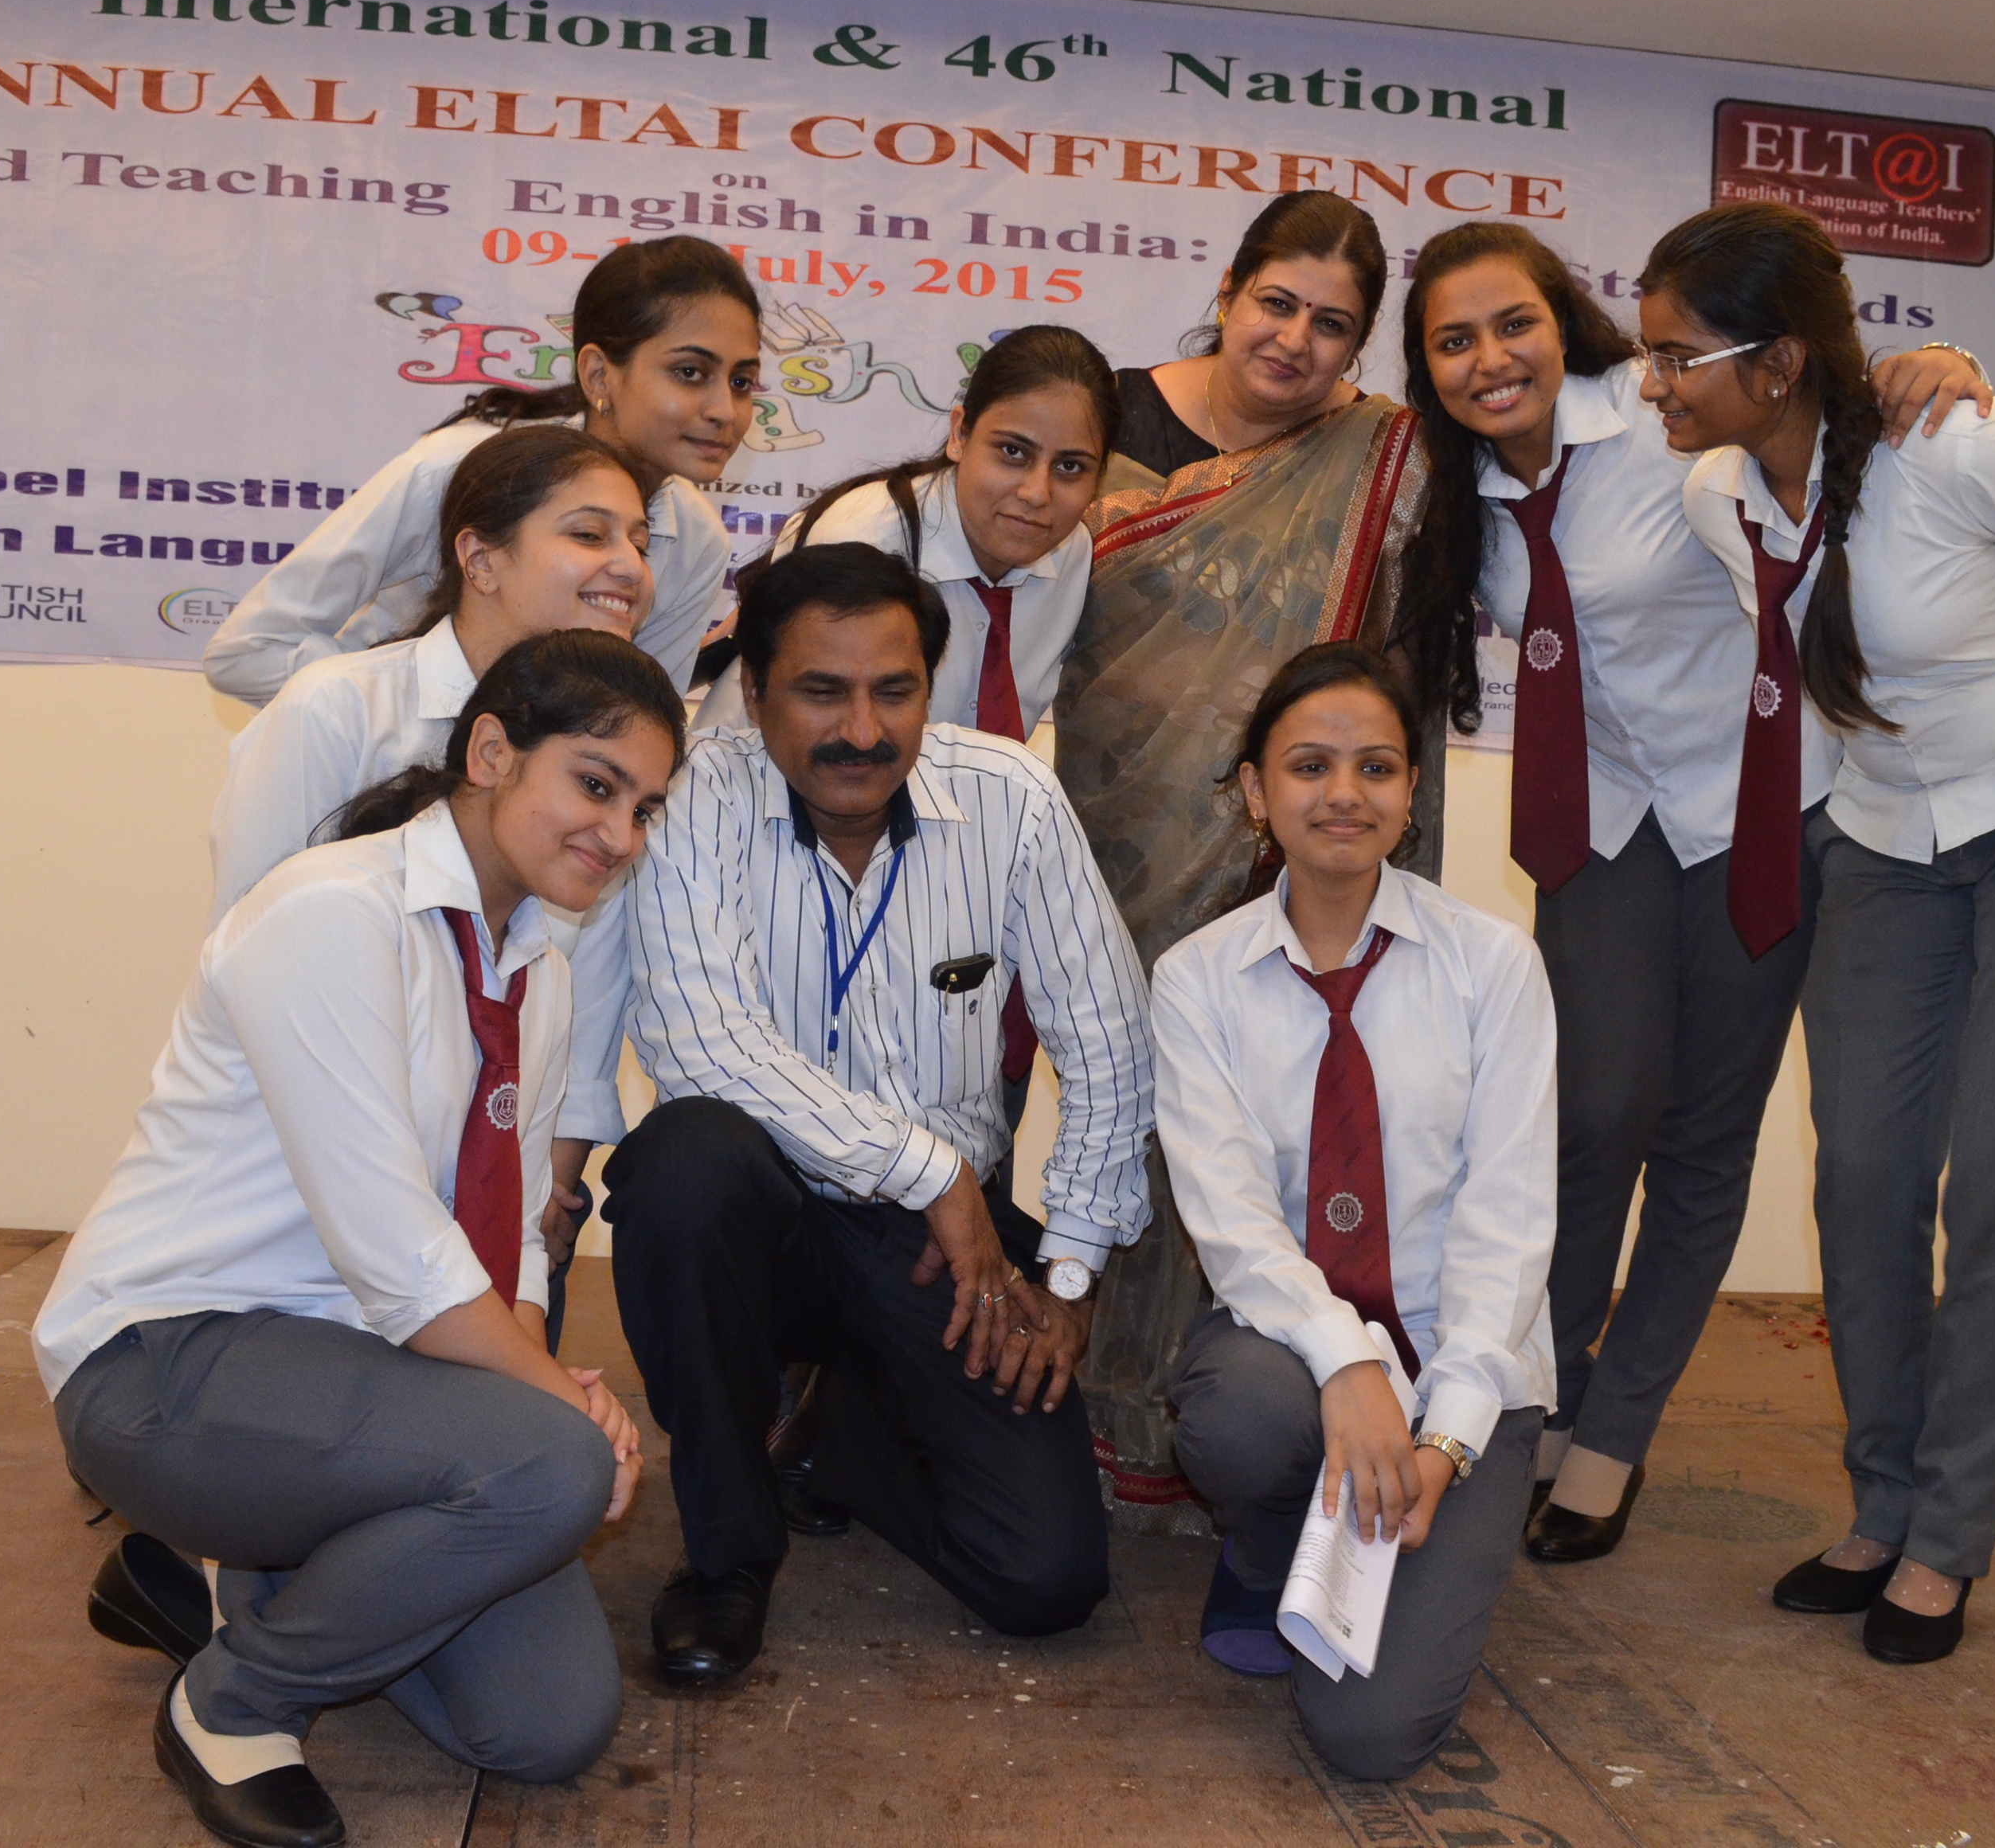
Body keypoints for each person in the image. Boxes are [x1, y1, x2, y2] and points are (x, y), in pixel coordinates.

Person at [1641, 201, 1995, 1662]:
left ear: (1777, 362)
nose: (1653, 383)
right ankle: (1882, 1506)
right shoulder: (1720, 495)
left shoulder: (1955, 449)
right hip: (1887, 844)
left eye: (1675, 357)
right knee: (1865, 1183)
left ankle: (1947, 1540)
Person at [1395, 222, 1989, 1561]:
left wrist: (1942, 358)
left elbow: (1819, 407)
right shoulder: (1452, 488)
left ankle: (1610, 1439)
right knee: (1588, 1120)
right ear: (1428, 368)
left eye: (1513, 324)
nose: (1490, 359)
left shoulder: (1664, 413)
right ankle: (1533, 1400)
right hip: (1604, 820)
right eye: (1453, 341)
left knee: (1705, 1140)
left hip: (1759, 810)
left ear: (1564, 321)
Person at [33, 631, 683, 1846]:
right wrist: (562, 1412)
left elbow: (510, 1242)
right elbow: (398, 1255)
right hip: (170, 1361)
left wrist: (538, 1390)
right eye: (596, 785)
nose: (622, 833)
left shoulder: (538, 971)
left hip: (357, 1383)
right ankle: (233, 1706)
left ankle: (236, 1587)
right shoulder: (333, 911)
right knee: (553, 1465)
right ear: (491, 754)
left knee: (546, 1725)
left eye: (645, 808)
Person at [609, 542, 1153, 1686]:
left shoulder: (1010, 797)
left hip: (935, 1254)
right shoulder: (694, 797)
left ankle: (843, 1440)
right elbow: (701, 1042)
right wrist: (930, 1172)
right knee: (683, 1167)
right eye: (821, 691)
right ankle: (727, 1556)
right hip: (768, 1222)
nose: (862, 730)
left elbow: (1107, 1040)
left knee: (1046, 1579)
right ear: (756, 692)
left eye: (893, 692)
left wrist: (1068, 1275)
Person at [1054, 189, 1438, 1527]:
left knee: (1243, 1119)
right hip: (1107, 836)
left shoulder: (1378, 455)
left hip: (1279, 857)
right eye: (1276, 303)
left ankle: (1202, 1406)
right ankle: (1084, 1390)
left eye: (1332, 325)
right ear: (1225, 293)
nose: (1294, 340)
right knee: (1113, 1105)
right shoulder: (1102, 416)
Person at [1156, 641, 1555, 1780]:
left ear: (1412, 790)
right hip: (1295, 1356)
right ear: (1255, 792)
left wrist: (1446, 1436)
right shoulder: (1198, 979)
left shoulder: (1494, 965)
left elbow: (1510, 1218)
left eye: (1376, 767)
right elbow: (1234, 1225)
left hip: (1466, 1361)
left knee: (1369, 1739)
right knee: (1237, 1419)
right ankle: (1270, 1548)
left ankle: (1409, 1537)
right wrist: (1348, 1366)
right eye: (1310, 766)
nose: (1344, 794)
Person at [205, 428, 662, 1342]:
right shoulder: (337, 711)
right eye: (589, 534)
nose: (629, 566)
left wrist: (551, 1175)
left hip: (502, 1184)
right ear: (480, 559)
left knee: (531, 1412)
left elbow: (585, 987)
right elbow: (253, 961)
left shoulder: (619, 765)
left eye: (641, 542)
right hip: (307, 1193)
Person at [201, 236, 761, 705]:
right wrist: (400, 718)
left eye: (741, 382)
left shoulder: (697, 543)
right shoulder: (452, 471)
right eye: (690, 372)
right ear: (598, 375)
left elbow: (635, 717)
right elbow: (250, 651)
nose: (723, 410)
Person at [698, 324, 1119, 741]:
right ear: (959, 434)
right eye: (1013, 452)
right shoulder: (862, 540)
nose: (1037, 493)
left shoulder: (1072, 554)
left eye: (1070, 467)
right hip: (760, 771)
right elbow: (821, 741)